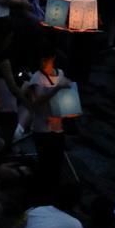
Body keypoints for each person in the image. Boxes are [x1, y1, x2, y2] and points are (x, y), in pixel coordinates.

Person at [26, 42, 73, 184]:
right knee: (44, 166)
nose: (42, 63)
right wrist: (57, 88)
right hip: (41, 129)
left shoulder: (61, 74)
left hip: (57, 128)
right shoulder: (36, 77)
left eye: (46, 59)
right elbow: (36, 102)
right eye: (41, 59)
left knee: (56, 165)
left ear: (53, 58)